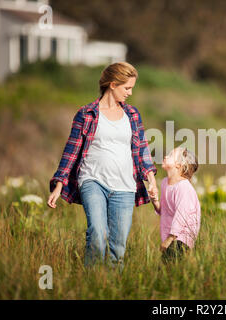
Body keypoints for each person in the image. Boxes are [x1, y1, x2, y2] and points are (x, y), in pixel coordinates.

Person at [47, 62, 158, 272]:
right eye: (127, 88)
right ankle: (91, 281)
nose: (130, 93)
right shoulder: (87, 113)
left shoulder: (132, 115)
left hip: (125, 186)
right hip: (92, 180)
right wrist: (59, 185)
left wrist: (151, 181)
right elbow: (71, 151)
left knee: (118, 247)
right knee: (98, 232)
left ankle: (110, 289)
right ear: (113, 84)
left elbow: (142, 150)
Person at [149, 147, 201, 264]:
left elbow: (181, 216)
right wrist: (155, 201)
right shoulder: (164, 183)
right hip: (171, 235)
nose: (166, 156)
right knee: (169, 269)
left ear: (179, 165)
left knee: (166, 268)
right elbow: (164, 211)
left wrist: (169, 239)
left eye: (171, 155)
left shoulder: (183, 187)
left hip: (182, 237)